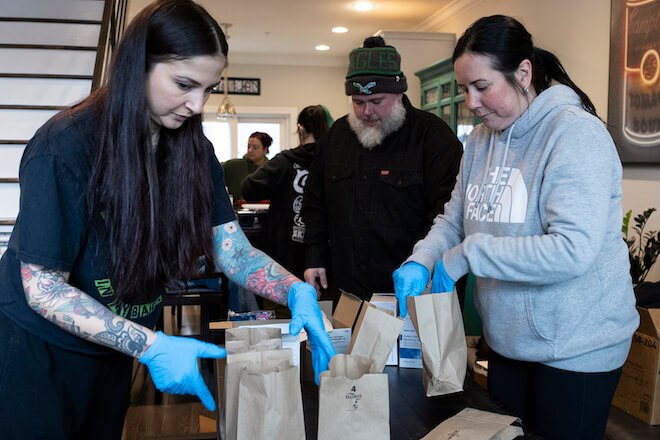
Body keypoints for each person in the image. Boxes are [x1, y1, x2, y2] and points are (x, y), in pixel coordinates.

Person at [0, 1, 334, 438]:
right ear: (137, 66)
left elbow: (231, 251)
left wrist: (293, 291)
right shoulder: (66, 146)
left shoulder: (192, 149)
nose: (197, 105)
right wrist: (152, 345)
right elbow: (43, 289)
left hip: (114, 348)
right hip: (39, 351)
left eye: (209, 88)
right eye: (183, 84)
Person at [393, 15, 639, 439]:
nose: (471, 102)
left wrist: (469, 254)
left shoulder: (574, 135)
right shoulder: (480, 141)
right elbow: (455, 219)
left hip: (577, 346)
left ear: (523, 72)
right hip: (507, 343)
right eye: (464, 90)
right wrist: (423, 258)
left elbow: (570, 250)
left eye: (482, 87)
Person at [302, 36, 463, 301]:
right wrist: (314, 256)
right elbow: (315, 204)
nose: (366, 111)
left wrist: (423, 265)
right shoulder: (335, 137)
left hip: (412, 289)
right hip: (346, 286)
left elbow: (448, 214)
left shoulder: (433, 138)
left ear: (399, 93)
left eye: (377, 101)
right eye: (358, 102)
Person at [242, 105, 333, 281]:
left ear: (300, 128)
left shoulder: (285, 161)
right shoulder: (333, 164)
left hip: (283, 252)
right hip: (324, 255)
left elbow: (248, 189)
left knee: (282, 304)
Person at [222, 131, 272, 203]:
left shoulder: (272, 169)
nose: (250, 150)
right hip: (238, 211)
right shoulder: (232, 166)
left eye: (255, 147)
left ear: (265, 149)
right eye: (248, 146)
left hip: (266, 212)